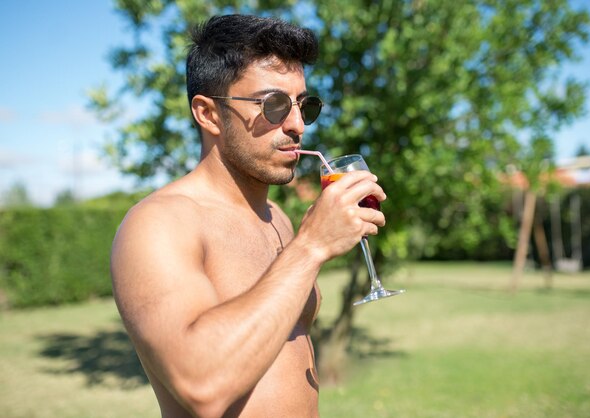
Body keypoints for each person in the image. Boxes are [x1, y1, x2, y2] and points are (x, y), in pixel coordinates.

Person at [110, 14, 386, 418]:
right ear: (207, 114)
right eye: (273, 105)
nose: (297, 126)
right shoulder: (157, 224)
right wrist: (311, 247)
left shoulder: (277, 217)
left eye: (303, 105)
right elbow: (201, 386)